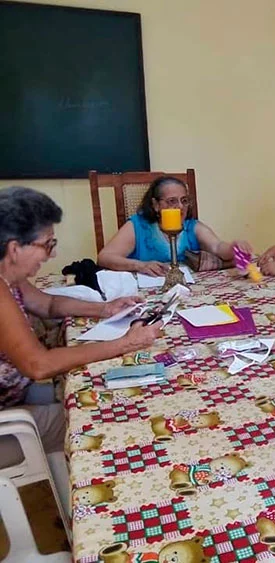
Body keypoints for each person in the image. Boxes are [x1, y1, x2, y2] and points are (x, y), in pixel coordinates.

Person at [0, 187, 162, 461]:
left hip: (17, 395)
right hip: (9, 424)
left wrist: (104, 308)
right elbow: (39, 365)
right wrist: (124, 344)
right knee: (108, 417)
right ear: (15, 249)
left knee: (93, 389)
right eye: (47, 244)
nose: (51, 254)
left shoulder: (9, 276)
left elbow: (47, 304)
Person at [97, 176, 252, 276]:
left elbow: (217, 247)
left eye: (184, 200)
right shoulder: (138, 226)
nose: (180, 207)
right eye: (172, 201)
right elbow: (104, 257)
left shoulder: (192, 227)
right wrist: (140, 266)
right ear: (156, 205)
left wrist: (233, 248)